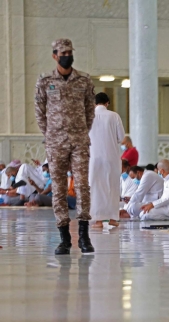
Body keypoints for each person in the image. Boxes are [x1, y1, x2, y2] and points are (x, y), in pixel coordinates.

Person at [35, 38, 95, 255]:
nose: (67, 56)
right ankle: (64, 238)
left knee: (82, 186)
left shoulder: (84, 81)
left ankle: (84, 236)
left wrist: (81, 131)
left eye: (69, 52)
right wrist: (50, 133)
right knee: (59, 189)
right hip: (55, 143)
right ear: (55, 56)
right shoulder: (45, 81)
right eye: (63, 53)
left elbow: (90, 110)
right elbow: (39, 111)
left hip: (79, 141)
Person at [89, 92, 125, 228]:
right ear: (107, 103)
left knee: (96, 187)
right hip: (111, 158)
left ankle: (97, 220)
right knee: (113, 187)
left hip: (93, 158)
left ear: (94, 103)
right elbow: (121, 137)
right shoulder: (114, 116)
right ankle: (113, 219)